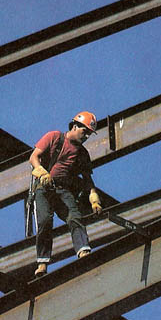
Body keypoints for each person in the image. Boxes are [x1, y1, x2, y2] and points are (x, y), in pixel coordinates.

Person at [29, 111, 103, 277]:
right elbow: (34, 157)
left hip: (63, 190)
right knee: (45, 221)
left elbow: (87, 180)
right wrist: (42, 172)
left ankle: (83, 251)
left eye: (89, 135)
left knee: (74, 217)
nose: (86, 137)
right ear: (75, 126)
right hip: (43, 188)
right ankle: (42, 263)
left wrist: (94, 199)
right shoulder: (54, 137)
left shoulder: (82, 154)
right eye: (84, 132)